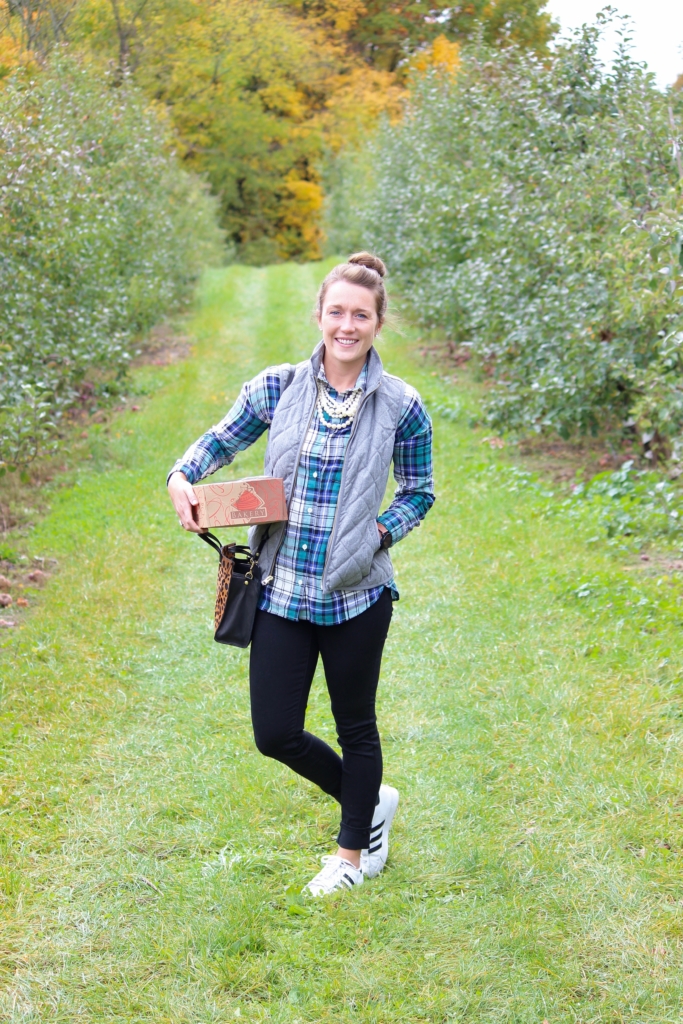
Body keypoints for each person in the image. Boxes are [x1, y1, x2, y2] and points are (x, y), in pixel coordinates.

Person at [167, 252, 435, 896]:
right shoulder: (277, 386)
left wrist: (379, 532)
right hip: (282, 591)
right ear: (319, 314)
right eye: (337, 311)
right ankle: (369, 802)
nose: (347, 325)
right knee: (276, 732)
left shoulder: (402, 404)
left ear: (377, 324)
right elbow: (217, 442)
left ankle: (349, 856)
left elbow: (419, 490)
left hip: (356, 593)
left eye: (361, 315)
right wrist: (181, 476)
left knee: (356, 723)